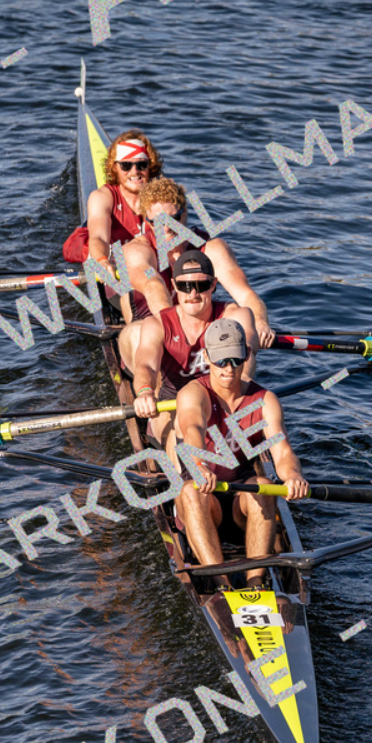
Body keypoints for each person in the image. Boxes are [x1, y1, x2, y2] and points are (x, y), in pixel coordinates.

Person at [171, 319, 308, 589]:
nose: (229, 368)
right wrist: (200, 465)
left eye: (235, 359)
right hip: (201, 502)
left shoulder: (265, 400)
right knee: (191, 491)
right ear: (207, 356)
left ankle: (255, 583)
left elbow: (282, 452)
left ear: (246, 355)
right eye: (221, 360)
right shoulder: (193, 394)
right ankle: (222, 586)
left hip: (240, 508)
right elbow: (193, 430)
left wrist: (293, 476)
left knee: (264, 486)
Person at [128, 250, 258, 447]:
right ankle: (188, 473)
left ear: (214, 285)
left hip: (224, 401)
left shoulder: (234, 316)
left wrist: (243, 386)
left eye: (202, 286)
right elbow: (146, 365)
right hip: (172, 405)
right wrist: (145, 392)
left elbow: (247, 349)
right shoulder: (157, 324)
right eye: (185, 286)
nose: (193, 294)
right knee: (181, 430)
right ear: (174, 286)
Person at [129, 178, 275, 350]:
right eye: (157, 222)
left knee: (240, 315)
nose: (166, 228)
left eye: (172, 219)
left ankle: (239, 373)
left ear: (184, 214)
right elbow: (153, 285)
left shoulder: (211, 248)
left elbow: (244, 293)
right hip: (153, 326)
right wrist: (176, 335)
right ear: (147, 222)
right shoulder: (137, 251)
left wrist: (259, 321)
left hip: (197, 325)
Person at [69, 130, 162, 277]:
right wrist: (102, 260)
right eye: (126, 165)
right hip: (110, 256)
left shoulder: (165, 197)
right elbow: (99, 237)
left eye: (142, 165)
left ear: (151, 166)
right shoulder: (101, 197)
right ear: (114, 168)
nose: (135, 171)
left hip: (143, 260)